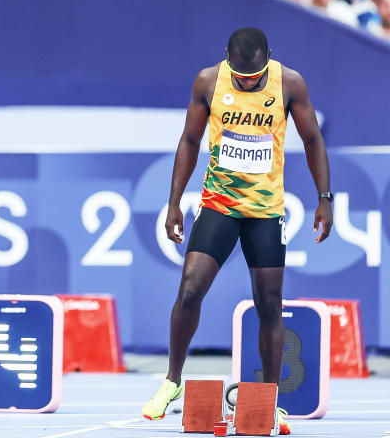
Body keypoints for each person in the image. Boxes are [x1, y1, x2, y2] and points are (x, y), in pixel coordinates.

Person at [142, 28, 333, 437]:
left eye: (255, 76)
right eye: (241, 77)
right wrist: (174, 201)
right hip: (219, 205)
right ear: (226, 57)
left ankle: (268, 400)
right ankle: (172, 380)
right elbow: (190, 140)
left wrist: (325, 197)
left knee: (269, 303)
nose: (248, 82)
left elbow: (313, 138)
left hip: (265, 212)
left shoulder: (290, 83)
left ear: (270, 58)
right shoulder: (209, 81)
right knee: (190, 289)